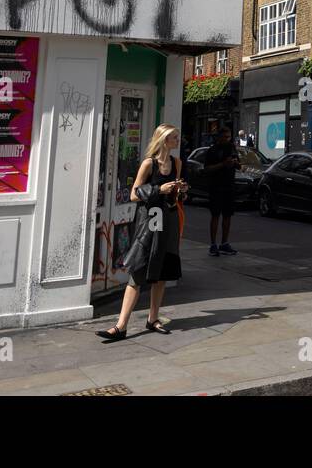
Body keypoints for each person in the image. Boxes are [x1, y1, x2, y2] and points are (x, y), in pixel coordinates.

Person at [97, 124, 186, 341]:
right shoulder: (149, 163)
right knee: (138, 270)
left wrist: (179, 190)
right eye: (174, 137)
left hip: (169, 219)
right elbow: (135, 194)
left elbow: (175, 196)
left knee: (162, 271)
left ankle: (153, 318)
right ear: (164, 140)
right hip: (150, 222)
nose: (178, 140)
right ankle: (121, 325)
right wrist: (159, 190)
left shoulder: (177, 163)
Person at [203, 127, 240, 257]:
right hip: (216, 187)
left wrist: (235, 163)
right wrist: (223, 164)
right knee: (215, 215)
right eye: (224, 137)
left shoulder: (232, 148)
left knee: (227, 215)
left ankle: (224, 243)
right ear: (219, 137)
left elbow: (239, 165)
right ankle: (213, 244)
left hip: (229, 186)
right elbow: (207, 169)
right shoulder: (212, 151)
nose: (227, 139)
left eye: (229, 137)